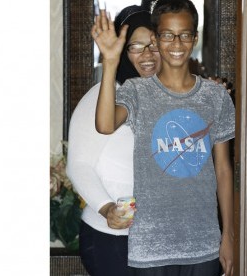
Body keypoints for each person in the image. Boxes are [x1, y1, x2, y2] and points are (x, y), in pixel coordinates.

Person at [94, 0, 235, 275]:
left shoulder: (215, 97)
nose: (177, 43)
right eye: (168, 35)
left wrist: (228, 236)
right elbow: (105, 125)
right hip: (150, 247)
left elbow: (223, 170)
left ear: (194, 38)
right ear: (157, 40)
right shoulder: (137, 91)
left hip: (203, 244)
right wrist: (110, 62)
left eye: (184, 34)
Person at [66, 5, 161, 276]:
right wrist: (107, 208)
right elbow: (79, 165)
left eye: (154, 44)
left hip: (157, 238)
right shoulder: (105, 97)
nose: (147, 54)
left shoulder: (169, 98)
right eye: (135, 46)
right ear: (122, 50)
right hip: (110, 238)